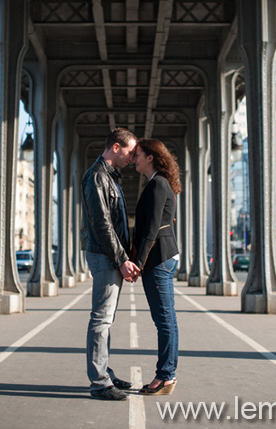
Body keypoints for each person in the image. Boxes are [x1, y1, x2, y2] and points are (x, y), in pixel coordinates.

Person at [82, 127, 139, 401]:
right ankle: (100, 383)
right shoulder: (96, 177)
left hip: (109, 255)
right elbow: (102, 223)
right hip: (104, 255)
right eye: (129, 152)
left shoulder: (110, 178)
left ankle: (104, 371)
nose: (132, 157)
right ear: (115, 148)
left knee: (106, 319)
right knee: (101, 318)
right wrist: (122, 259)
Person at [130, 139, 182, 395]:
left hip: (159, 258)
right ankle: (166, 374)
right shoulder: (158, 183)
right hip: (161, 256)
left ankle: (166, 376)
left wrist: (138, 263)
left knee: (165, 320)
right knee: (164, 319)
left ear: (150, 157)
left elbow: (151, 228)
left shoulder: (158, 184)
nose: (133, 158)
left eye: (137, 154)